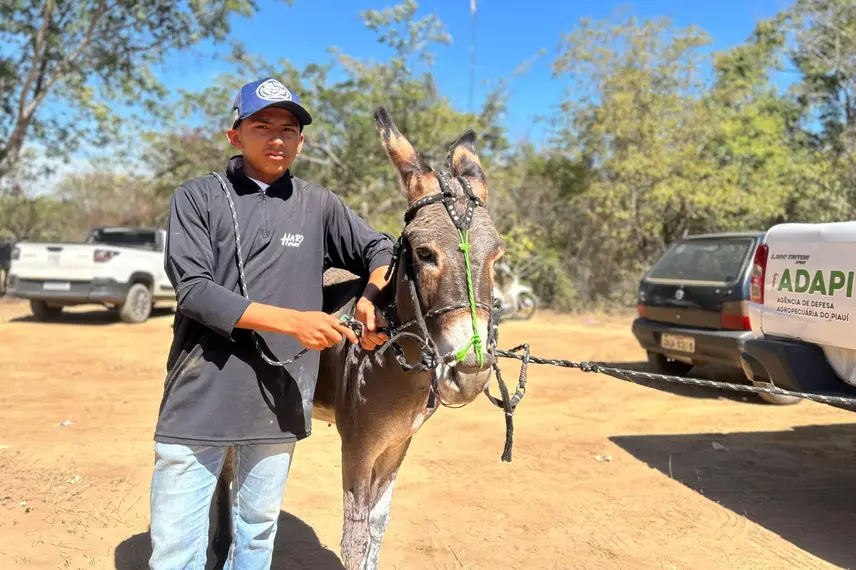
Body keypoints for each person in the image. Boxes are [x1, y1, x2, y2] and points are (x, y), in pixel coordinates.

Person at [148, 77, 393, 569]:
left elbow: (381, 248)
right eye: (263, 126)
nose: (278, 138)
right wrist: (296, 322)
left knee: (257, 536)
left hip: (280, 396)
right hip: (201, 395)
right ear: (235, 135)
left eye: (289, 129)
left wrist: (369, 296)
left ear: (301, 141)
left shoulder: (318, 204)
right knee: (175, 551)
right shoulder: (197, 198)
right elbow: (194, 290)